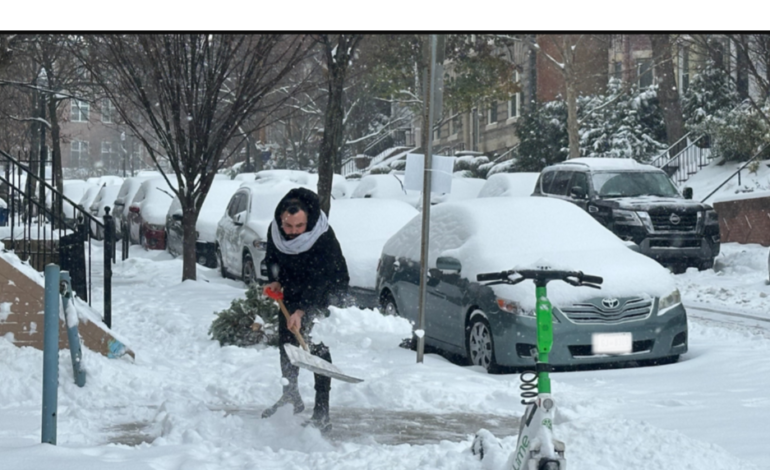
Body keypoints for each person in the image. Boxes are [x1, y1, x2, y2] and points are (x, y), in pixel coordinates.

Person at [260, 187, 349, 433]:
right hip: (293, 287)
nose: (293, 232)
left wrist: (304, 310)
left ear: (307, 220)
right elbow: (272, 258)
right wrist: (275, 279)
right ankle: (290, 395)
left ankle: (322, 410)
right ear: (281, 219)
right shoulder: (276, 231)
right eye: (288, 227)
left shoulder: (322, 235)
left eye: (298, 227)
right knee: (287, 343)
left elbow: (321, 277)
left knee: (317, 346)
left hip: (326, 289)